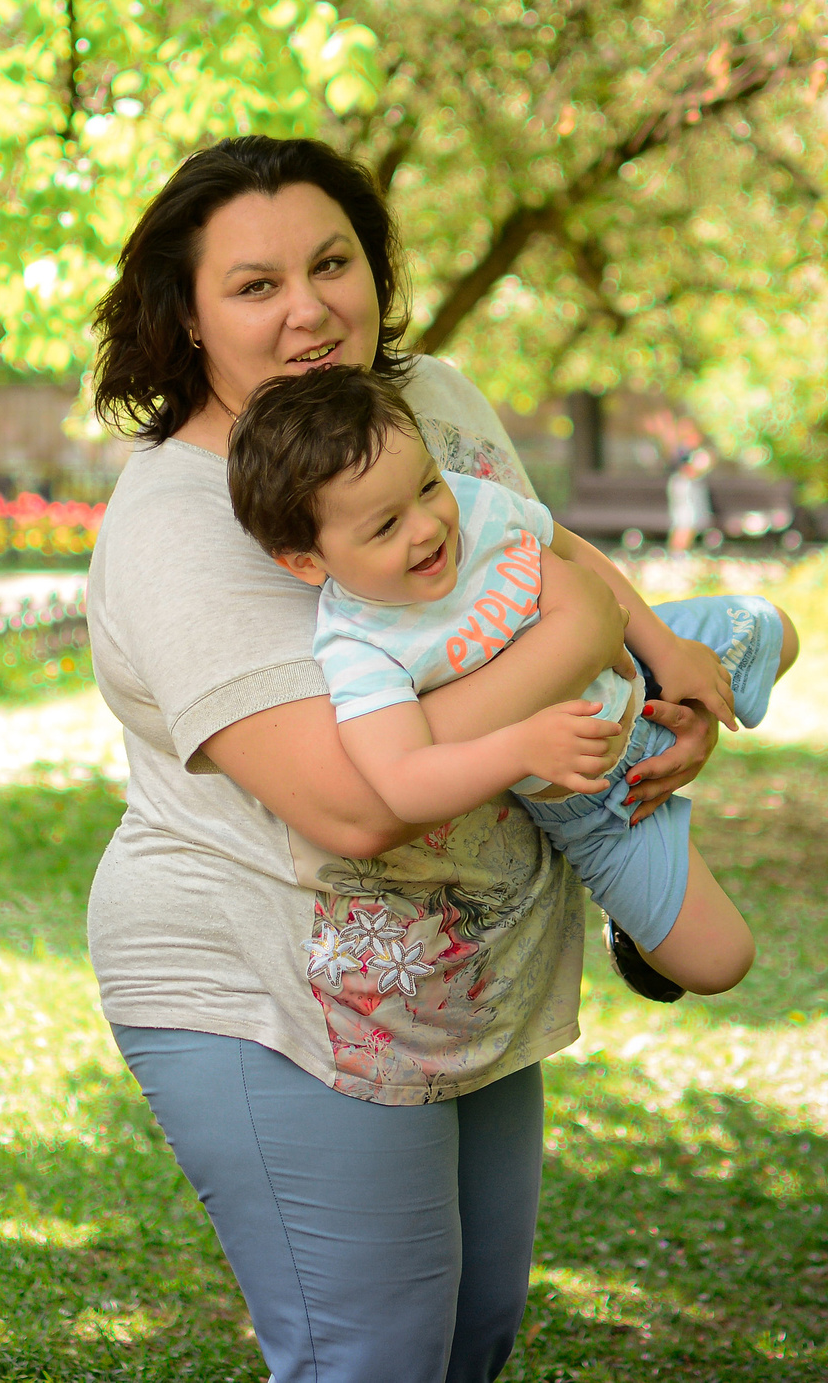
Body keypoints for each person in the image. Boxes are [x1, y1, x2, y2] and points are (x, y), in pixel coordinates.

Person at [83, 136, 732, 1383]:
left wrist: (658, 667)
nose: (310, 308)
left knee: (468, 1344)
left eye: (332, 264)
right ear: (188, 317)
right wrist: (580, 641)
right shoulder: (179, 518)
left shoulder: (430, 399)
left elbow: (534, 555)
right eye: (256, 285)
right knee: (371, 1359)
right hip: (272, 982)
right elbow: (350, 803)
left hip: (463, 972)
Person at [226, 366, 793, 1001]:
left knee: (775, 629)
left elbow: (570, 550)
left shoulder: (472, 504)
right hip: (598, 797)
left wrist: (668, 649)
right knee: (720, 962)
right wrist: (519, 750)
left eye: (427, 486)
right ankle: (638, 922)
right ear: (307, 561)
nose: (427, 526)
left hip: (635, 663)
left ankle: (685, 720)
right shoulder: (360, 645)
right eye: (385, 526)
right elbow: (403, 780)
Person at [665, 439, 715, 555]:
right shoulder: (682, 482)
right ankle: (677, 552)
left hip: (689, 509)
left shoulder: (688, 481)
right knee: (683, 527)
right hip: (685, 509)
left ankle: (681, 552)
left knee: (688, 527)